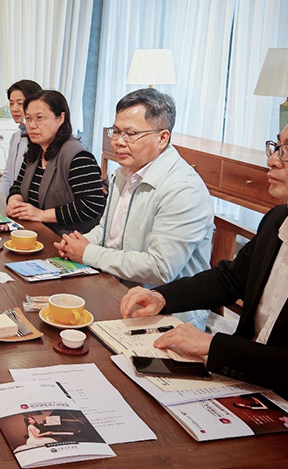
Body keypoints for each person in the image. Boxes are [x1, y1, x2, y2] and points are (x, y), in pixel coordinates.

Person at [119, 96, 288, 422]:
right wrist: (162, 296)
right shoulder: (277, 220)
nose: (273, 160)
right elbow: (230, 278)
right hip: (243, 383)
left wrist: (214, 346)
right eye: (275, 147)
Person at [56, 88, 214, 328]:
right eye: (116, 131)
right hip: (116, 288)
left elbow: (160, 268)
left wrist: (87, 252)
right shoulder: (124, 172)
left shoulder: (183, 189)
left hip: (167, 315)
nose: (118, 142)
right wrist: (79, 242)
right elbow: (107, 230)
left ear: (162, 138)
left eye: (130, 134)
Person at [6, 90, 105, 235]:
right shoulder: (35, 150)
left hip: (67, 238)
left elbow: (91, 205)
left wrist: (41, 215)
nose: (32, 125)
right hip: (35, 232)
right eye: (28, 118)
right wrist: (14, 201)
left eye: (40, 118)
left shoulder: (78, 157)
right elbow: (18, 186)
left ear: (60, 118)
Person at [0, 79, 43, 196]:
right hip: (14, 200)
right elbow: (8, 176)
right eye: (11, 103)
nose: (14, 109)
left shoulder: (41, 140)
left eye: (20, 103)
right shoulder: (16, 137)